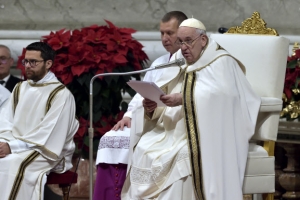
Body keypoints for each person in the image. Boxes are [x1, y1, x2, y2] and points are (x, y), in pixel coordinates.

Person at [121, 18, 261, 200]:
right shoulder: (180, 59)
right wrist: (154, 106)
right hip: (174, 129)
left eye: (188, 41)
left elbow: (227, 98)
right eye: (180, 41)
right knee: (144, 148)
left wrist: (184, 98)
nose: (183, 47)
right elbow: (166, 88)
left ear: (203, 40)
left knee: (183, 156)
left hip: (209, 133)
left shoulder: (221, 61)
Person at [93, 11, 188, 200]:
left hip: (176, 122)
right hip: (151, 117)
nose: (165, 38)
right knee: (110, 138)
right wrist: (128, 116)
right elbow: (142, 93)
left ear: (183, 32)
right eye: (162, 33)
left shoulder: (193, 62)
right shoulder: (159, 62)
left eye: (170, 33)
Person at [0, 42, 79, 200]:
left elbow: (49, 133)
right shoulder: (20, 88)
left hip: (47, 150)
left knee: (15, 163)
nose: (28, 66)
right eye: (26, 61)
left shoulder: (60, 94)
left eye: (33, 62)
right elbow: (5, 121)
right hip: (16, 144)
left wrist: (12, 147)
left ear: (48, 63)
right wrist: (3, 142)